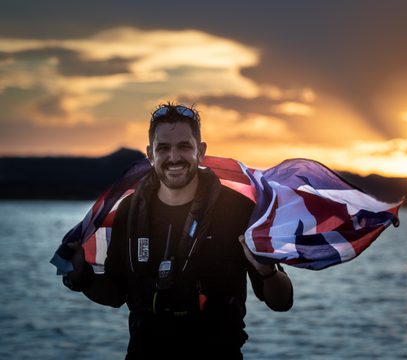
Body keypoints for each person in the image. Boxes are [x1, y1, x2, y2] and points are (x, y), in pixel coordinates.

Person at [63, 102, 294, 359]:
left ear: (201, 151)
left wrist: (267, 271)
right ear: (150, 154)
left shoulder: (238, 210)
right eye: (164, 148)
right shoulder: (129, 211)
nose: (174, 157)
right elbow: (116, 293)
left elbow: (282, 302)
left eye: (184, 146)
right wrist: (82, 278)